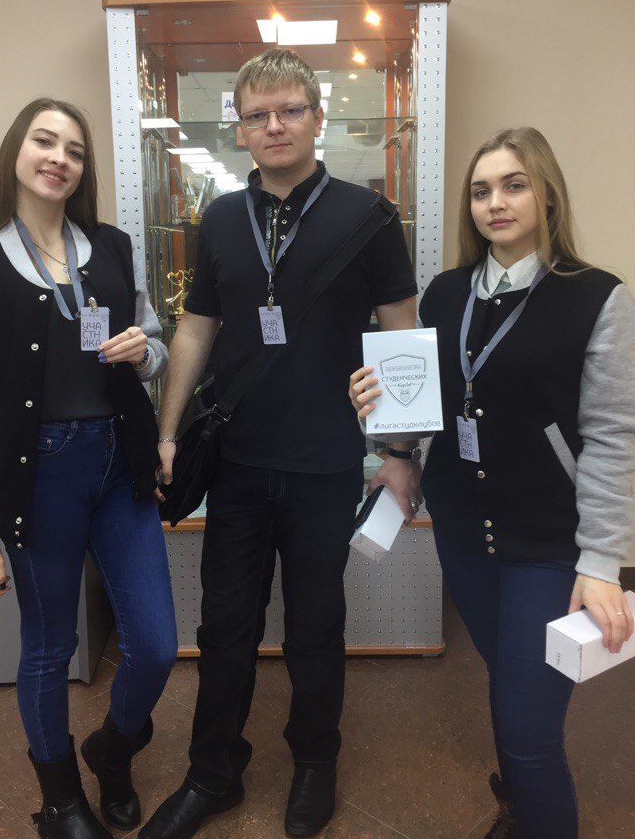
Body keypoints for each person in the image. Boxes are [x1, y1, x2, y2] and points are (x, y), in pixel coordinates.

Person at [139, 49, 419, 839]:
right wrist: (167, 431)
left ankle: (315, 760)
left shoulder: (369, 218)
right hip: (237, 459)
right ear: (239, 129)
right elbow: (196, 329)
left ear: (317, 118)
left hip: (327, 463)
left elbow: (401, 334)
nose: (274, 126)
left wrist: (398, 451)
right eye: (257, 115)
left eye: (290, 110)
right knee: (223, 628)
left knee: (315, 628)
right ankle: (212, 773)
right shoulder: (221, 219)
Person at [349, 127, 635, 839]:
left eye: (514, 185)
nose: (495, 203)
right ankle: (520, 803)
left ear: (546, 194)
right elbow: (427, 399)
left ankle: (533, 808)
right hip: (462, 533)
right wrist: (389, 436)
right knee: (510, 684)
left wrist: (602, 560)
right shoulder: (447, 292)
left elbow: (613, 435)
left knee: (528, 732)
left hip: (548, 541)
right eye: (481, 191)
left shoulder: (596, 297)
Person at [0, 98, 178, 839]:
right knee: (49, 647)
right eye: (45, 141)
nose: (59, 159)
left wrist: (146, 351)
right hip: (40, 474)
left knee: (156, 644)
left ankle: (113, 749)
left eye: (74, 150)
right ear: (16, 151)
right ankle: (61, 801)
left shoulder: (110, 247)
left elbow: (155, 346)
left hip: (119, 464)